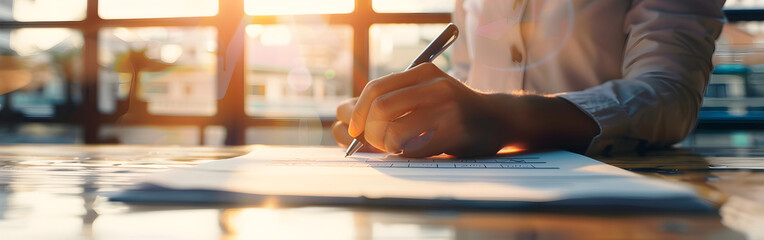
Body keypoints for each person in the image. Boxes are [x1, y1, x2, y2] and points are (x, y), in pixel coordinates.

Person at [333, 0, 726, 157]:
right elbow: (471, 74)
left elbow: (670, 92)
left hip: (616, 198)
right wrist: (413, 108)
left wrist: (510, 118)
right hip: (477, 201)